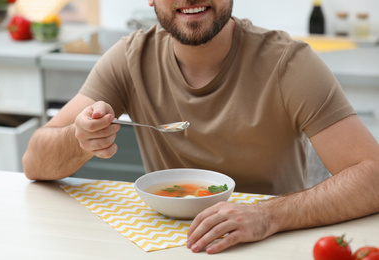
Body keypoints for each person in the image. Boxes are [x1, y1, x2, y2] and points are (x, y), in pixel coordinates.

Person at [23, 0, 379, 255]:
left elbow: (373, 174)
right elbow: (34, 163)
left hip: (272, 243)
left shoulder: (289, 63)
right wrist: (80, 137)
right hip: (165, 245)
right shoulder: (130, 58)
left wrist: (267, 215)